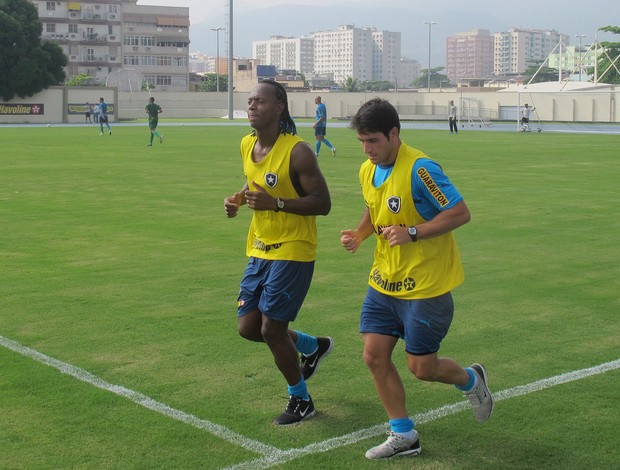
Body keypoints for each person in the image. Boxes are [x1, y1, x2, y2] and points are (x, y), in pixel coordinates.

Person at [340, 98, 494, 460]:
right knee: (374, 356)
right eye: (362, 141)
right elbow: (373, 206)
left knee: (421, 368)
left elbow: (460, 212)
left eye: (374, 141)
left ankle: (471, 380)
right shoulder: (367, 168)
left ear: (394, 133)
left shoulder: (421, 169)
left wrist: (413, 232)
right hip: (383, 281)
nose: (367, 149)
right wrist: (361, 235)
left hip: (426, 285)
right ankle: (403, 434)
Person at [224, 79, 334, 426]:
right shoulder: (247, 144)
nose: (251, 106)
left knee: (272, 328)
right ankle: (310, 345)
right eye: (250, 101)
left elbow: (323, 203)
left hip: (294, 249)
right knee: (247, 328)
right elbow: (252, 181)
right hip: (260, 246)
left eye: (259, 101)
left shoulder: (298, 151)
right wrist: (238, 200)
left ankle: (301, 400)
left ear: (279, 107)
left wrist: (278, 203)